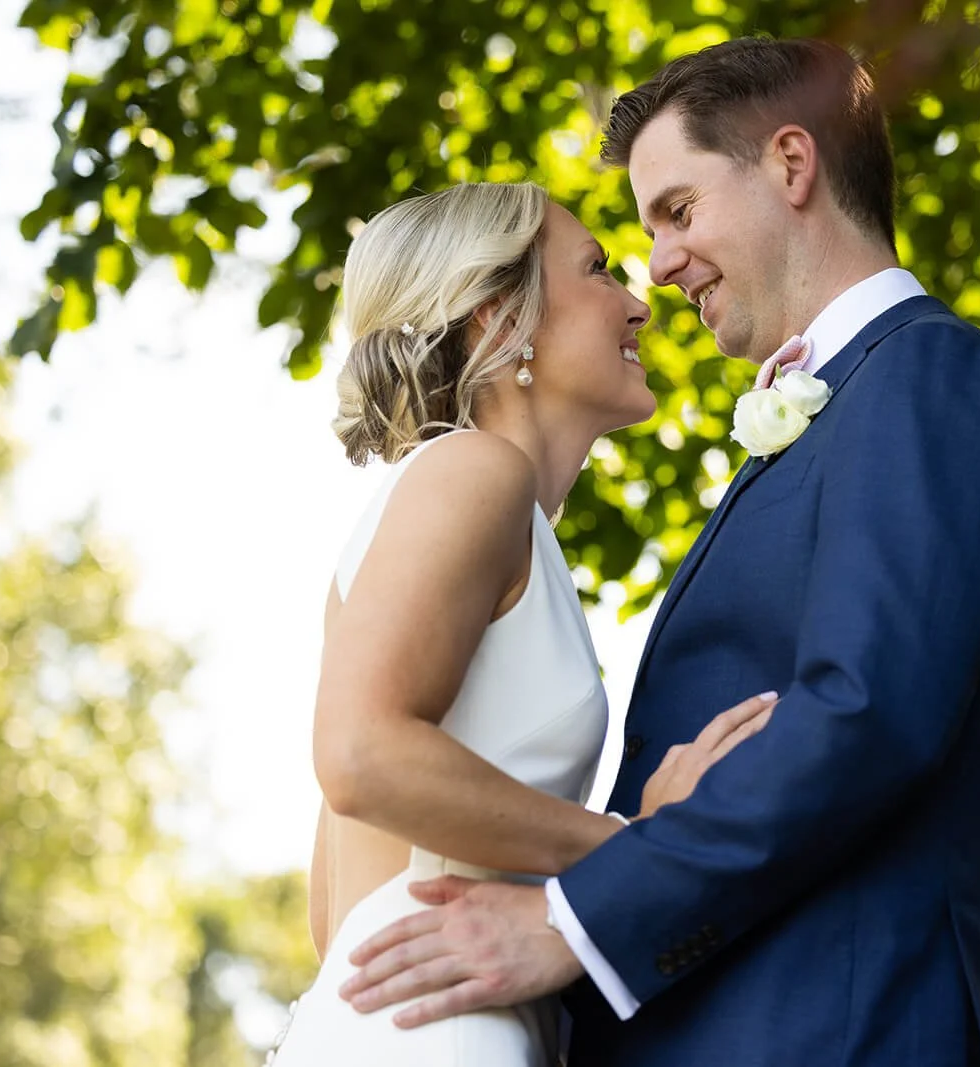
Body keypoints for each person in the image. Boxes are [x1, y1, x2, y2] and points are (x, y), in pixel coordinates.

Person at [342, 37, 980, 1067]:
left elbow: (868, 713)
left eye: (677, 212)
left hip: (840, 1032)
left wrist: (575, 916)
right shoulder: (825, 422)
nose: (658, 269)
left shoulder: (928, 377)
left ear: (790, 163)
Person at [267, 181, 776, 1065]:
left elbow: (334, 909)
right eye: (598, 269)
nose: (637, 302)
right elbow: (358, 755)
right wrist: (639, 845)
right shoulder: (473, 471)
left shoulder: (465, 507)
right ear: (502, 320)